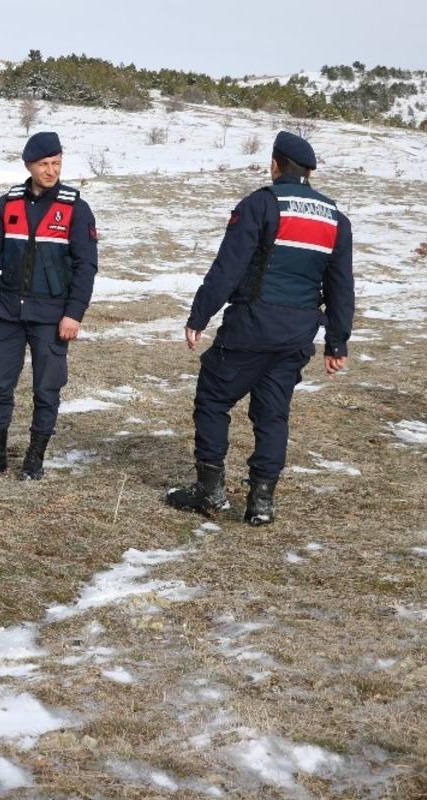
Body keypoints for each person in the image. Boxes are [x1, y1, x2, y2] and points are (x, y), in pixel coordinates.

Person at [165, 131, 353, 524]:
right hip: (298, 332)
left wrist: (199, 315)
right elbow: (340, 285)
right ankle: (261, 503)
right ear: (310, 172)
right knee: (272, 414)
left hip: (252, 326)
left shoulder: (261, 204)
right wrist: (337, 342)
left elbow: (228, 267)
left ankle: (210, 491)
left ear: (274, 165)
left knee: (213, 399)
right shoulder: (335, 218)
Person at [0, 131, 99, 480]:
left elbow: (87, 266)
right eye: (44, 164)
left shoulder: (75, 209)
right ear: (29, 165)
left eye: (56, 163)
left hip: (52, 317)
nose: (51, 171)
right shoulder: (7, 204)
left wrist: (74, 314)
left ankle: (34, 458)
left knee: (47, 388)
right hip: (9, 312)